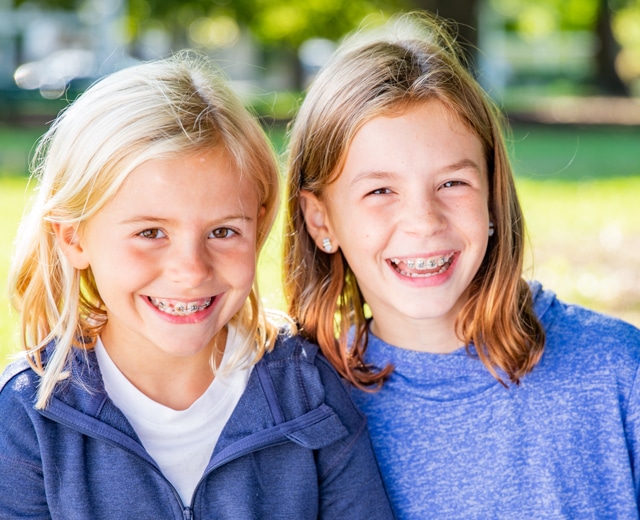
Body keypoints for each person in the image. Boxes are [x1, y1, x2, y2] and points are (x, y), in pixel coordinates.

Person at [0, 52, 393, 519]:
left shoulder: (309, 393)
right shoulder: (29, 416)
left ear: (258, 225)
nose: (190, 270)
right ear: (74, 237)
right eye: (151, 233)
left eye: (223, 232)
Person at [283, 12, 640, 519]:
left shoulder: (616, 374)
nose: (423, 221)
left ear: (493, 198)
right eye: (380, 191)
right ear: (321, 221)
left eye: (452, 183)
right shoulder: (302, 406)